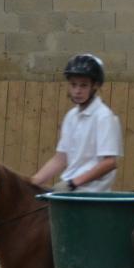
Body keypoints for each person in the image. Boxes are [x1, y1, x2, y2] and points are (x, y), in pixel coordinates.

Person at [32, 53, 122, 193]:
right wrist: (32, 183)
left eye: (83, 85)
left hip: (92, 194)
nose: (77, 91)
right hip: (71, 189)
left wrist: (73, 183)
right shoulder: (71, 117)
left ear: (95, 86)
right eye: (73, 85)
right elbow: (60, 159)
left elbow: (109, 162)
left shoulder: (103, 116)